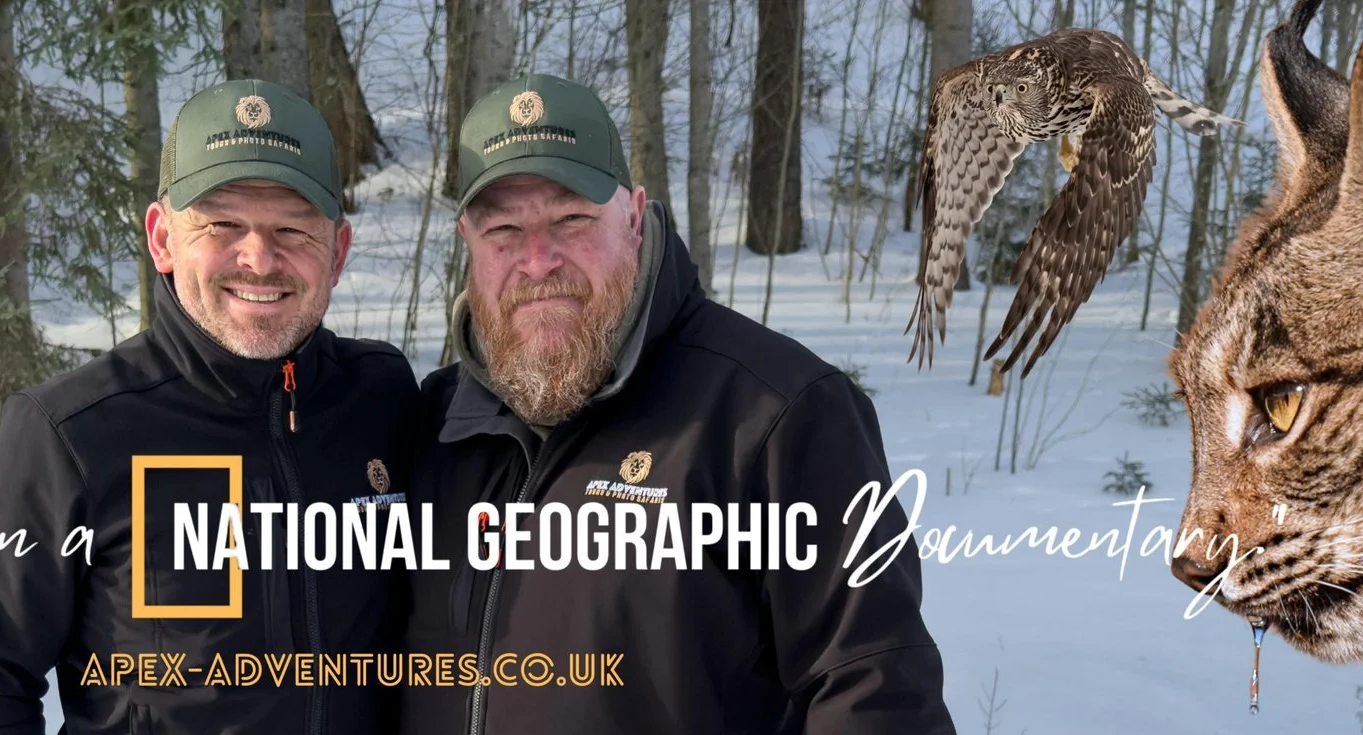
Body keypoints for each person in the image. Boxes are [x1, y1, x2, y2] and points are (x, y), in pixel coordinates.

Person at [398, 73, 956, 734]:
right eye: (504, 230)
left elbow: (874, 697)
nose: (538, 260)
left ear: (635, 218)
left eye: (572, 219)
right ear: (468, 241)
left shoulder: (775, 415)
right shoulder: (435, 428)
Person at [0, 79, 417, 735]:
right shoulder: (71, 432)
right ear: (162, 238)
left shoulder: (382, 396)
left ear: (338, 252)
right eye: (222, 224)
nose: (259, 258)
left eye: (294, 227)